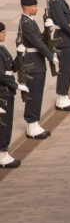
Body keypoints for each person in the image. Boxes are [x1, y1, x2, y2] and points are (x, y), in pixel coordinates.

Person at [18, 0, 57, 140]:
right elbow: (37, 43)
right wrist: (51, 56)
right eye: (34, 6)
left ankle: (35, 123)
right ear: (26, 7)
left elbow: (40, 39)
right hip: (33, 64)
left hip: (37, 63)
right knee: (33, 94)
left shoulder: (30, 21)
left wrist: (48, 29)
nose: (36, 8)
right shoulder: (26, 23)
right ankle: (31, 125)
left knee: (38, 94)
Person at [0, 22, 29, 168]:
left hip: (7, 91)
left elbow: (12, 67)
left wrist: (19, 55)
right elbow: (1, 76)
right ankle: (2, 154)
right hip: (3, 93)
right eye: (3, 32)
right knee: (4, 124)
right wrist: (16, 85)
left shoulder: (3, 48)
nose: (5, 34)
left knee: (8, 122)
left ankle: (5, 152)